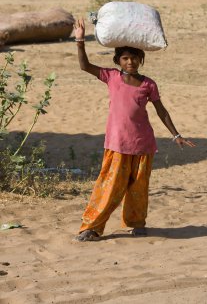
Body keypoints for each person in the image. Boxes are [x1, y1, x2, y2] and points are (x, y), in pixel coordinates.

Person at [74, 18, 195, 241]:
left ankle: (136, 223)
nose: (130, 62)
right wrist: (80, 40)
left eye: (134, 58)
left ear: (141, 59)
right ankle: (91, 226)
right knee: (109, 186)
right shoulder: (111, 76)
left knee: (138, 187)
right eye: (125, 58)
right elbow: (84, 66)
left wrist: (175, 134)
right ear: (118, 60)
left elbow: (161, 110)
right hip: (117, 143)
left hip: (143, 144)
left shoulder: (149, 84)